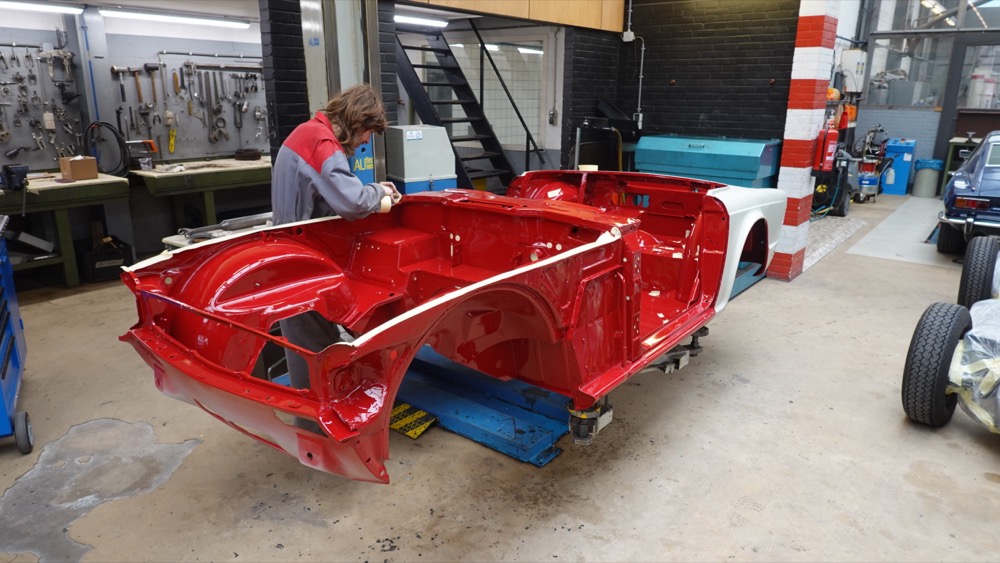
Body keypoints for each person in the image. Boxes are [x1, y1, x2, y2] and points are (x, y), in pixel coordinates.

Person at [271, 84, 401, 409]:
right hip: (304, 263)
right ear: (357, 122)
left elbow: (323, 195)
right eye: (367, 132)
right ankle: (323, 421)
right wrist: (380, 192)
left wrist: (373, 190)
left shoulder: (304, 133)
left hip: (289, 255)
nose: (366, 141)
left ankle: (311, 412)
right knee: (318, 348)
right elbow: (352, 202)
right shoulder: (322, 142)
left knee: (303, 345)